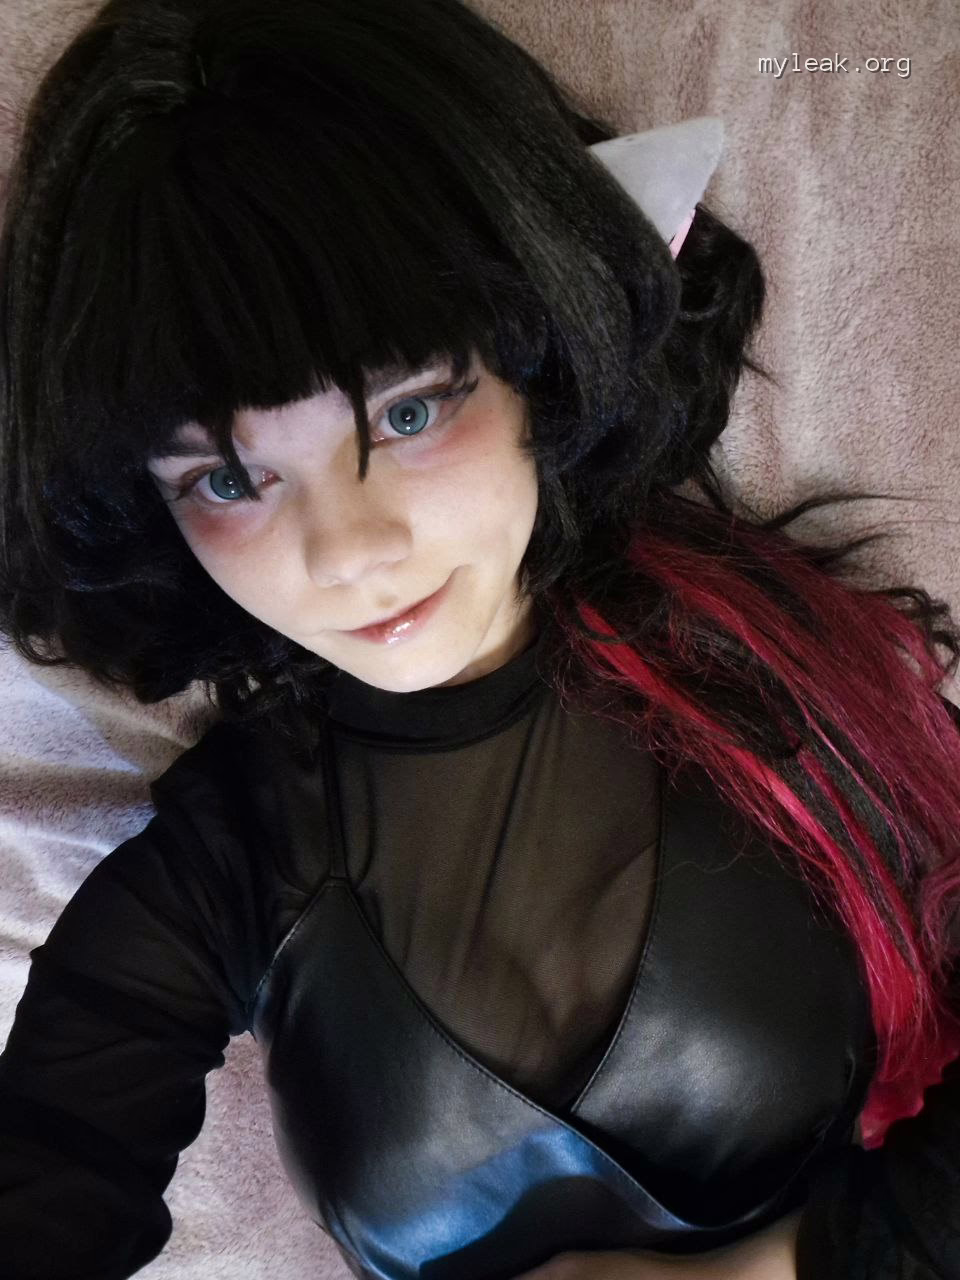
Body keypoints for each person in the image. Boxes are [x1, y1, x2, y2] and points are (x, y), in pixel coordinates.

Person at [1, 1, 959, 1277]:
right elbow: (50, 1160)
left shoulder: (775, 669)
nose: (348, 552)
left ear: (533, 358)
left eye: (406, 413)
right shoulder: (230, 857)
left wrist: (805, 1262)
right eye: (227, 480)